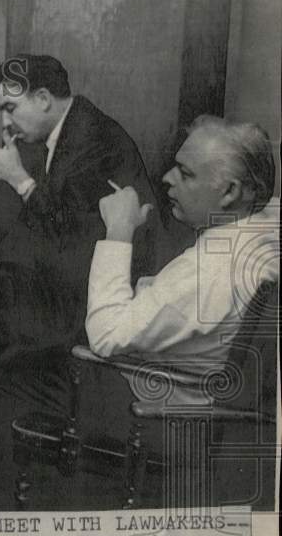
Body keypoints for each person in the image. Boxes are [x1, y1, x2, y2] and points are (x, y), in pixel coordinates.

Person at [87, 115, 278, 368]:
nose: (167, 178)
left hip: (150, 398)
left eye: (185, 174)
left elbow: (105, 336)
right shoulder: (266, 220)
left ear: (230, 192)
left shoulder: (207, 271)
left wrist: (118, 232)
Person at [0, 53, 154, 237]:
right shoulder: (69, 120)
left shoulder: (91, 139)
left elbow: (63, 233)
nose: (5, 122)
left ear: (43, 99)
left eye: (11, 109)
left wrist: (17, 177)